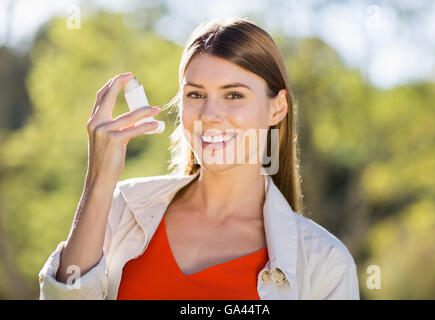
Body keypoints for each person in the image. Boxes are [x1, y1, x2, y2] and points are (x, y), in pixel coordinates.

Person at [38, 18, 360, 300]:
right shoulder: (123, 208)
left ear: (277, 108)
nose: (209, 115)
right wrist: (99, 182)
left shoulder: (325, 263)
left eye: (234, 95)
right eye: (196, 94)